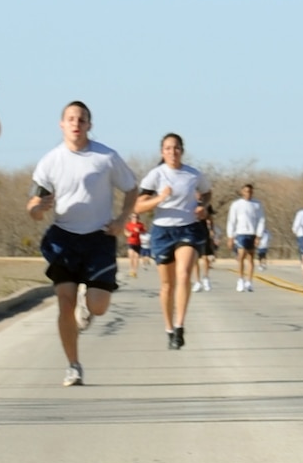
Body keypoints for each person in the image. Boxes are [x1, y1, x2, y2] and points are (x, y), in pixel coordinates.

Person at [26, 102, 138, 386]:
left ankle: (88, 304)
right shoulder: (50, 161)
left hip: (99, 238)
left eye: (82, 120)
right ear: (61, 124)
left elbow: (131, 188)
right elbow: (34, 205)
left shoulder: (106, 157)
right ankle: (73, 365)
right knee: (65, 302)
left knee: (98, 307)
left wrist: (123, 219)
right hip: (63, 238)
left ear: (89, 125)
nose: (76, 124)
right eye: (71, 119)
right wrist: (38, 207)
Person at [135, 133, 207, 348]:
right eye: (167, 148)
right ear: (162, 152)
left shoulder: (193, 174)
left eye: (176, 148)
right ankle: (168, 328)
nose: (172, 152)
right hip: (162, 231)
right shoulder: (155, 175)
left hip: (188, 228)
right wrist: (160, 198)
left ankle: (179, 326)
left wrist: (202, 207)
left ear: (182, 151)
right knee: (167, 285)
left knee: (184, 273)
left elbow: (206, 193)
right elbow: (138, 207)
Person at [226, 181, 266, 291]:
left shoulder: (257, 204)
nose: (248, 193)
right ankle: (240, 280)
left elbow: (261, 220)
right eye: (246, 191)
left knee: (250, 258)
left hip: (252, 233)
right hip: (240, 233)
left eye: (250, 191)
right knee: (241, 256)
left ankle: (249, 281)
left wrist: (259, 235)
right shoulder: (236, 204)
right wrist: (230, 236)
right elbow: (231, 221)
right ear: (242, 192)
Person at [124, 210, 146, 278]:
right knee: (131, 255)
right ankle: (131, 269)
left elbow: (144, 232)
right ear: (131, 218)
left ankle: (135, 271)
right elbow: (125, 232)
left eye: (136, 217)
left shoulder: (140, 225)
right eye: (133, 217)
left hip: (138, 242)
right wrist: (128, 234)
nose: (135, 218)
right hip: (130, 242)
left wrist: (139, 231)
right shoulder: (128, 224)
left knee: (136, 257)